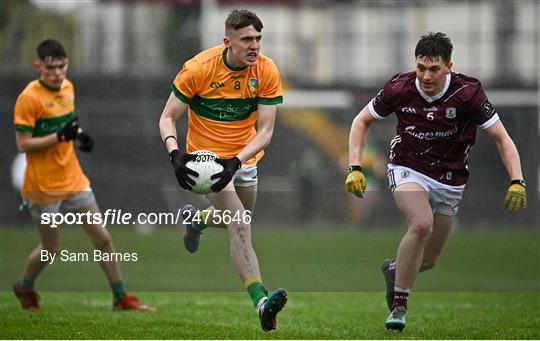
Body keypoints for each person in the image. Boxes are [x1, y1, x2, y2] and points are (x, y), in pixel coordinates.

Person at [345, 32, 527, 331]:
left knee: (428, 260)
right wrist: (355, 166)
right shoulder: (399, 87)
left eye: (434, 69)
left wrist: (517, 180)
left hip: (450, 178)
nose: (426, 76)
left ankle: (393, 271)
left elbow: (502, 139)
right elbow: (360, 121)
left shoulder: (469, 93)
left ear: (449, 67)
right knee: (421, 224)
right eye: (421, 68)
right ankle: (400, 307)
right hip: (407, 168)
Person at [158, 9, 287, 332]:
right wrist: (176, 155)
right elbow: (167, 117)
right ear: (228, 42)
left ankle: (197, 220)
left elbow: (266, 131)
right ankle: (261, 302)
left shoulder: (267, 70)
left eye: (258, 38)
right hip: (208, 163)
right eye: (246, 40)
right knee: (241, 226)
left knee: (241, 218)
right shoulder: (199, 68)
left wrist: (237, 162)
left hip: (242, 160)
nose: (254, 46)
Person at [12, 38, 153, 312]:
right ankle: (25, 286)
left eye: (61, 66)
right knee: (51, 248)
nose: (56, 73)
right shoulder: (29, 98)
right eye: (50, 68)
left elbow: (68, 126)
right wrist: (58, 136)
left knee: (102, 238)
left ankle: (120, 298)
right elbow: (23, 143)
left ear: (67, 64)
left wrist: (78, 136)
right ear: (38, 66)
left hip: (73, 179)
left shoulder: (68, 88)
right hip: (42, 187)